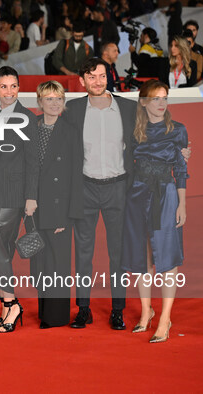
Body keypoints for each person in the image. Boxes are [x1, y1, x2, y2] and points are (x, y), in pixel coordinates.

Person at [64, 58, 137, 330]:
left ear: (109, 77)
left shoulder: (128, 108)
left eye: (102, 76)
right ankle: (83, 308)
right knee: (83, 253)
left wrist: (178, 149)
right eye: (91, 77)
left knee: (118, 253)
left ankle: (118, 309)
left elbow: (144, 139)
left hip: (118, 187)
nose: (98, 81)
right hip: (85, 188)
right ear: (82, 80)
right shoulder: (72, 109)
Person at [121, 80, 188, 343]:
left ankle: (165, 318)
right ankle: (146, 311)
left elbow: (181, 171)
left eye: (165, 98)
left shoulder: (178, 130)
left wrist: (182, 204)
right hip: (137, 196)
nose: (161, 104)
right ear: (143, 101)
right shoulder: (134, 130)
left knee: (167, 257)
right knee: (142, 258)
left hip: (166, 195)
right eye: (156, 98)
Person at [0, 66, 39, 333]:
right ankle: (5, 303)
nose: (9, 91)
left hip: (14, 194)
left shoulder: (28, 118)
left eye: (13, 86)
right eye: (3, 86)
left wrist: (30, 197)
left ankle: (11, 302)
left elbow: (33, 163)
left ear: (19, 88)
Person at [31, 81, 83, 328]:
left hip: (59, 208)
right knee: (39, 263)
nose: (54, 103)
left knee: (57, 265)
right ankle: (44, 312)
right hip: (35, 207)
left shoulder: (70, 131)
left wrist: (68, 215)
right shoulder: (32, 127)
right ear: (39, 102)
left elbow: (76, 176)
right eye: (49, 98)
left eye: (58, 99)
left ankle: (56, 317)